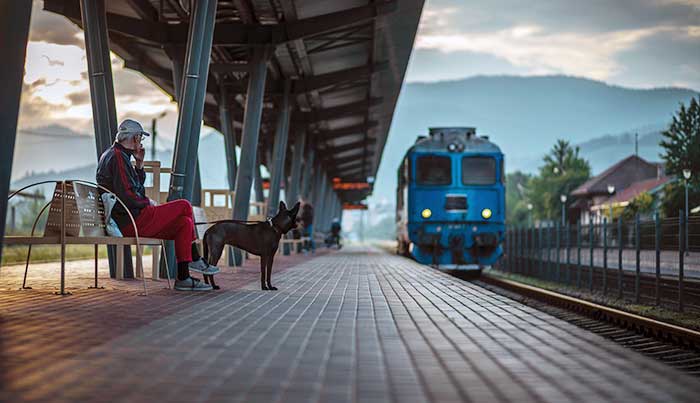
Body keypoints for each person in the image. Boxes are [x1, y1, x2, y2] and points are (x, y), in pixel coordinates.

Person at [96, 119, 218, 291]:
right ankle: (196, 259)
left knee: (185, 223)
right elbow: (129, 196)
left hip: (133, 219)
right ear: (135, 138)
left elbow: (135, 189)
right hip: (131, 222)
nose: (141, 142)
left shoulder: (119, 156)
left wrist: (139, 164)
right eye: (140, 138)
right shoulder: (117, 157)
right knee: (184, 205)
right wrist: (149, 203)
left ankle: (183, 278)